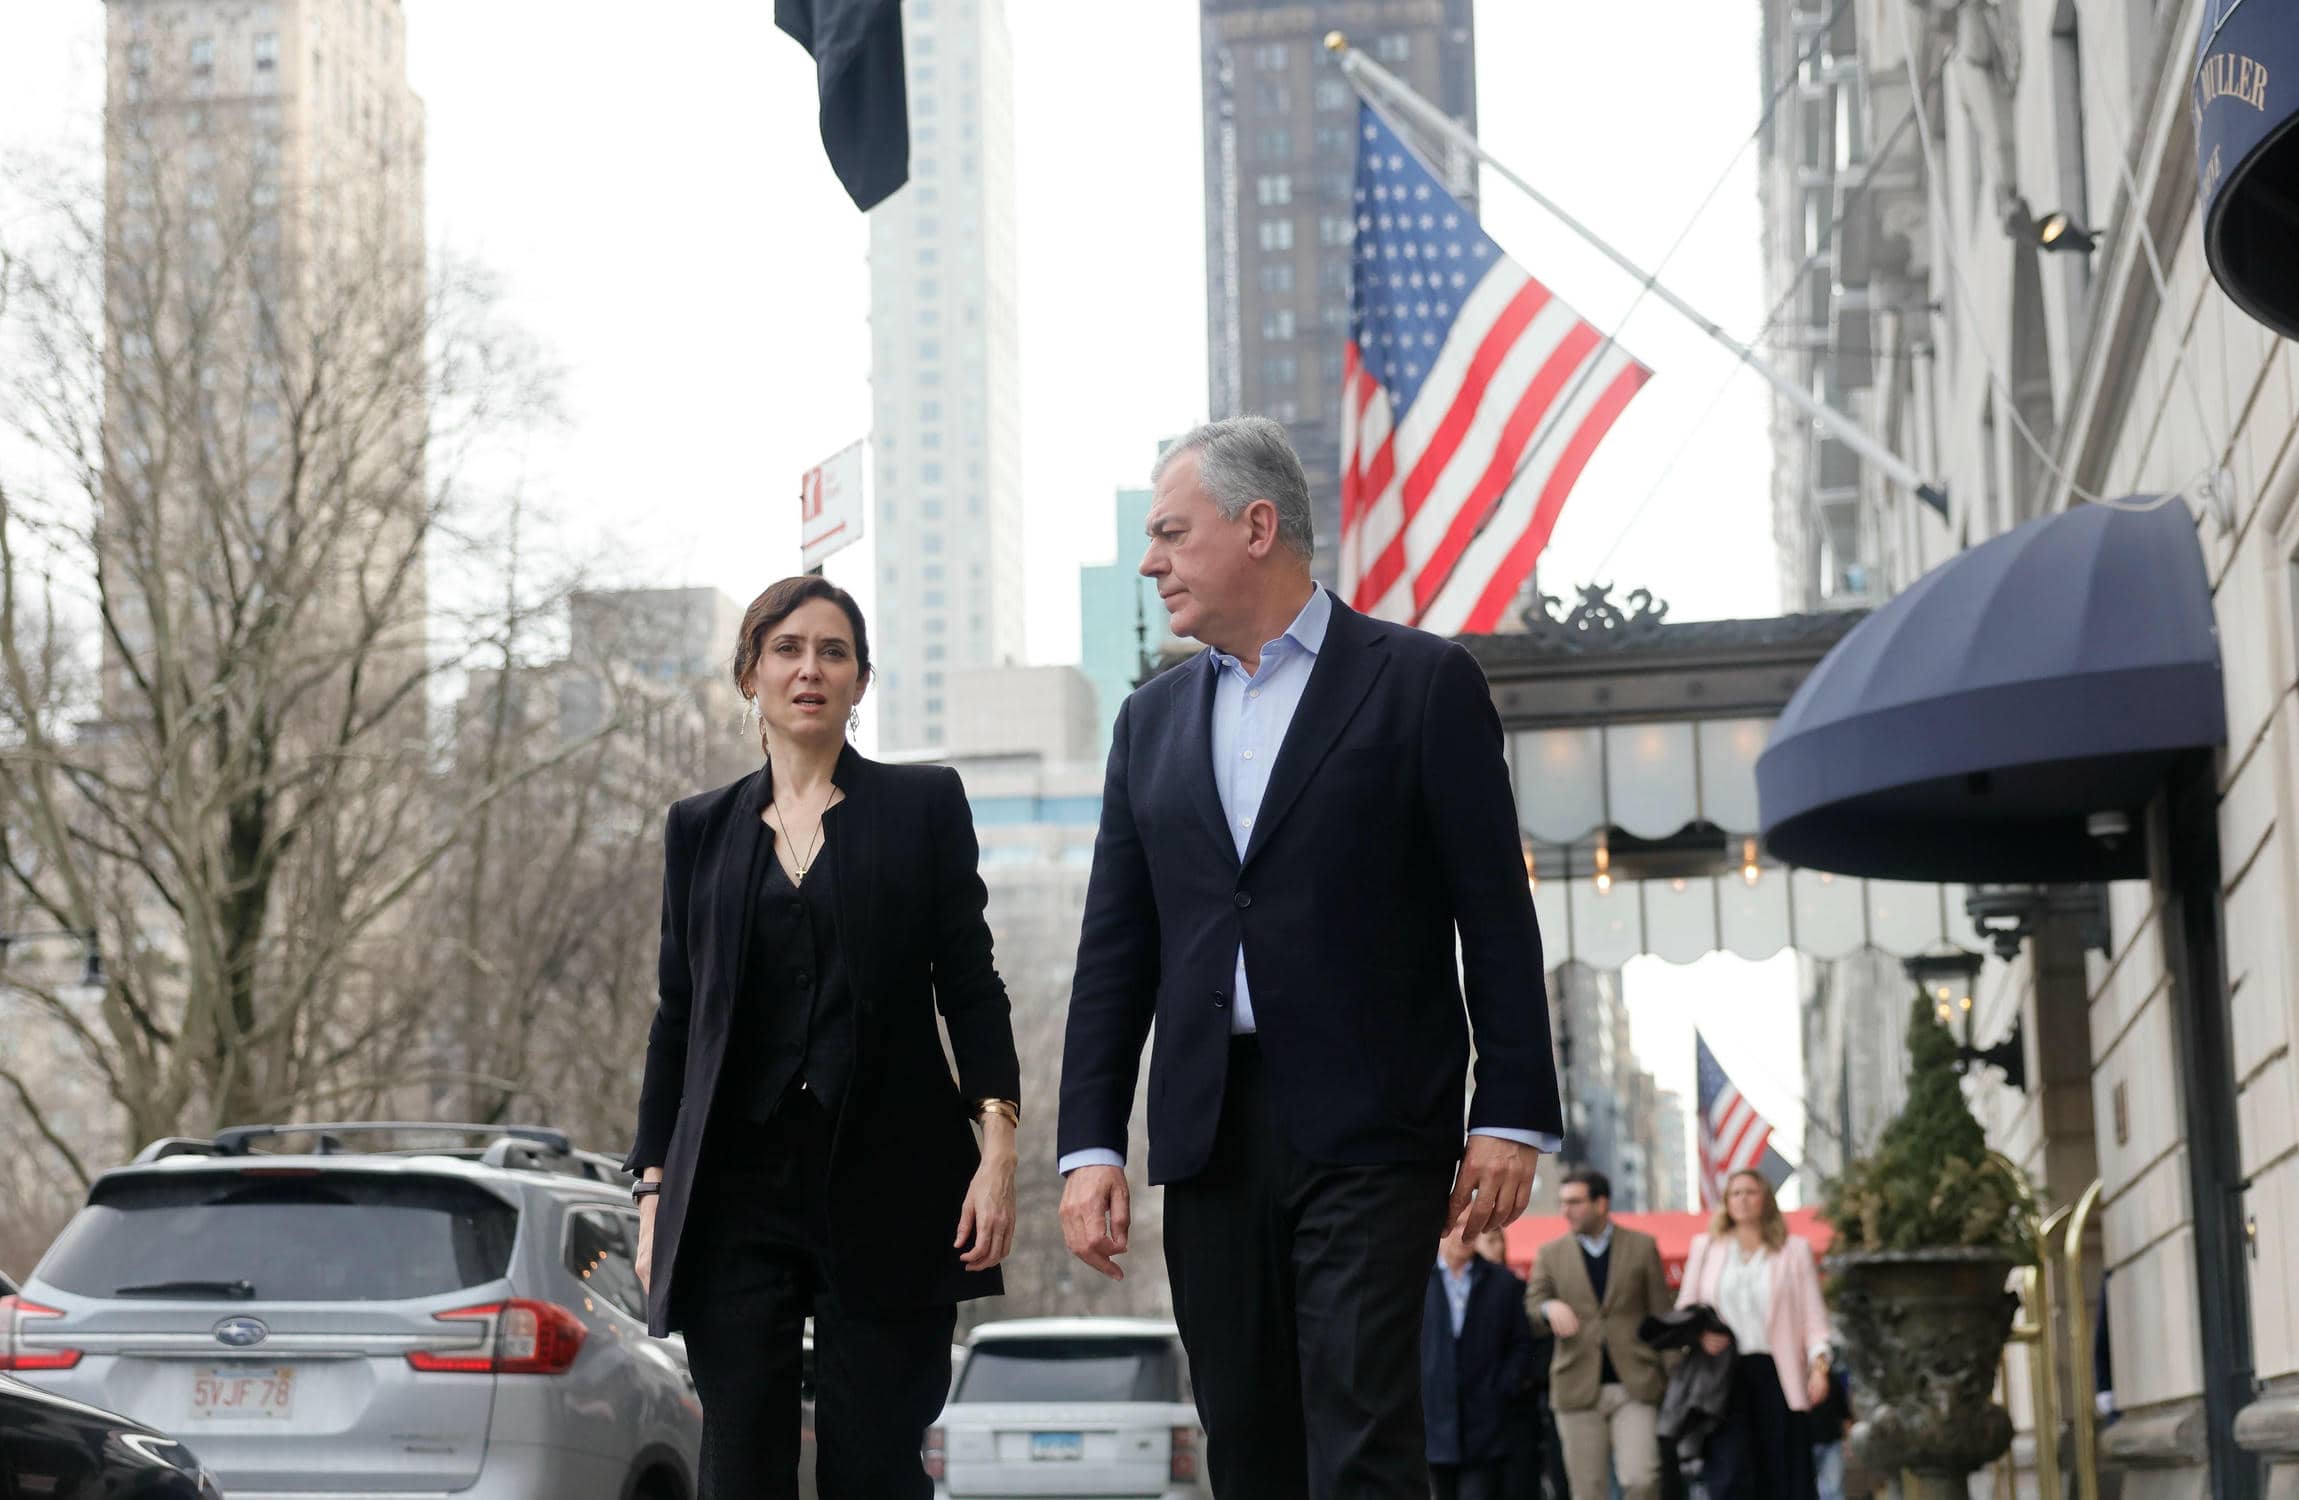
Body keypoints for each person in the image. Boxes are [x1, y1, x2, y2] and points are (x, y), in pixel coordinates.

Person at [1056, 416, 1563, 1499]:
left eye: (1168, 533)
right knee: (1246, 1440)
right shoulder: (1147, 722)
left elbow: (1494, 912)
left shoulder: (1422, 683)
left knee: (1361, 1425)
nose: (1150, 562)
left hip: (1375, 1124)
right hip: (1208, 1132)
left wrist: (1508, 1111)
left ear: (1256, 527)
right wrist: (1089, 1143)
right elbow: (1115, 951)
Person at [625, 576, 1022, 1500]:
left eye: (833, 651)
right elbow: (677, 1018)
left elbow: (970, 984)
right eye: (788, 649)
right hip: (733, 1190)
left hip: (890, 1178)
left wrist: (995, 1150)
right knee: (740, 1463)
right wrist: (652, 1192)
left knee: (875, 1462)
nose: (811, 668)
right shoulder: (699, 831)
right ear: (749, 674)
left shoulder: (921, 808)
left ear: (861, 680)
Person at [1676, 1169, 1831, 1500]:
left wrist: (1819, 1367)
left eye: (1750, 1192)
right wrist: (1700, 1336)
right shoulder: (1706, 1248)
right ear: (1726, 1202)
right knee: (1730, 1473)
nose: (1742, 1200)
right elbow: (1686, 1310)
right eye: (1735, 1193)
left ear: (1766, 1200)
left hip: (1778, 1373)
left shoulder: (1794, 1250)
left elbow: (1813, 1317)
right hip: (1723, 1375)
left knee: (1782, 1472)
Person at [1524, 1170, 1673, 1500]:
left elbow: (1662, 1317)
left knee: (1642, 1479)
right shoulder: (1550, 1254)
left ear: (1601, 1203)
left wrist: (1673, 1377)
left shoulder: (1642, 1247)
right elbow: (1533, 1305)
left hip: (1634, 1384)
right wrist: (1549, 1308)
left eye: (1575, 1202)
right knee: (1588, 1491)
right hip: (1576, 1388)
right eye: (1562, 1203)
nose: (1566, 1210)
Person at [1427, 1231, 1537, 1500]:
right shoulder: (1415, 1281)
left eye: (1473, 1225)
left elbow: (1521, 1343)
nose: (1467, 1234)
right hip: (1430, 1422)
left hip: (1486, 1425)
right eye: (1459, 1224)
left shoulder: (1502, 1282)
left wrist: (1502, 1387)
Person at [1474, 1229, 1556, 1500]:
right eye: (1490, 1241)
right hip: (1474, 1416)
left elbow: (1535, 1346)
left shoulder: (1518, 1288)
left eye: (1500, 1240)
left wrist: (1515, 1380)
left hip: (1516, 1410)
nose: (1497, 1247)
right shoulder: (1456, 1292)